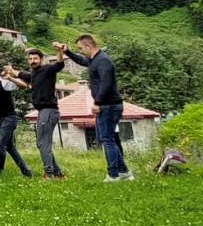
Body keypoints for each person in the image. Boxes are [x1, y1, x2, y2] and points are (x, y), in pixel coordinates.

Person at [57, 35, 132, 181]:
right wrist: (67, 51)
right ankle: (124, 171)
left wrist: (97, 102)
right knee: (104, 138)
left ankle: (113, 174)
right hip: (106, 104)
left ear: (89, 46)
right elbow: (81, 60)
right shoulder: (95, 59)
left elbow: (106, 83)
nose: (81, 51)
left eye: (81, 48)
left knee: (107, 139)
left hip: (109, 105)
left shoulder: (103, 60)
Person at [20, 47, 67, 179]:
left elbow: (59, 65)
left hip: (49, 110)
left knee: (43, 143)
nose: (32, 61)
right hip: (42, 111)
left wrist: (59, 51)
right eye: (30, 59)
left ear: (42, 59)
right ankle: (57, 173)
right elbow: (24, 76)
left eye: (35, 58)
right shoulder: (35, 74)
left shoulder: (47, 69)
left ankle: (49, 174)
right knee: (41, 143)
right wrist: (11, 71)